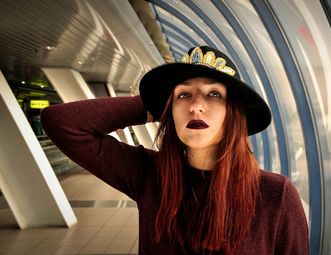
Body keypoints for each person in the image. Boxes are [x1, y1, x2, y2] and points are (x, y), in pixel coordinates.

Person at [41, 46, 309, 254]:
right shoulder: (148, 176)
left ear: (233, 114)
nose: (195, 106)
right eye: (183, 95)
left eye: (214, 94)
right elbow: (61, 123)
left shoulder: (276, 196)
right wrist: (156, 106)